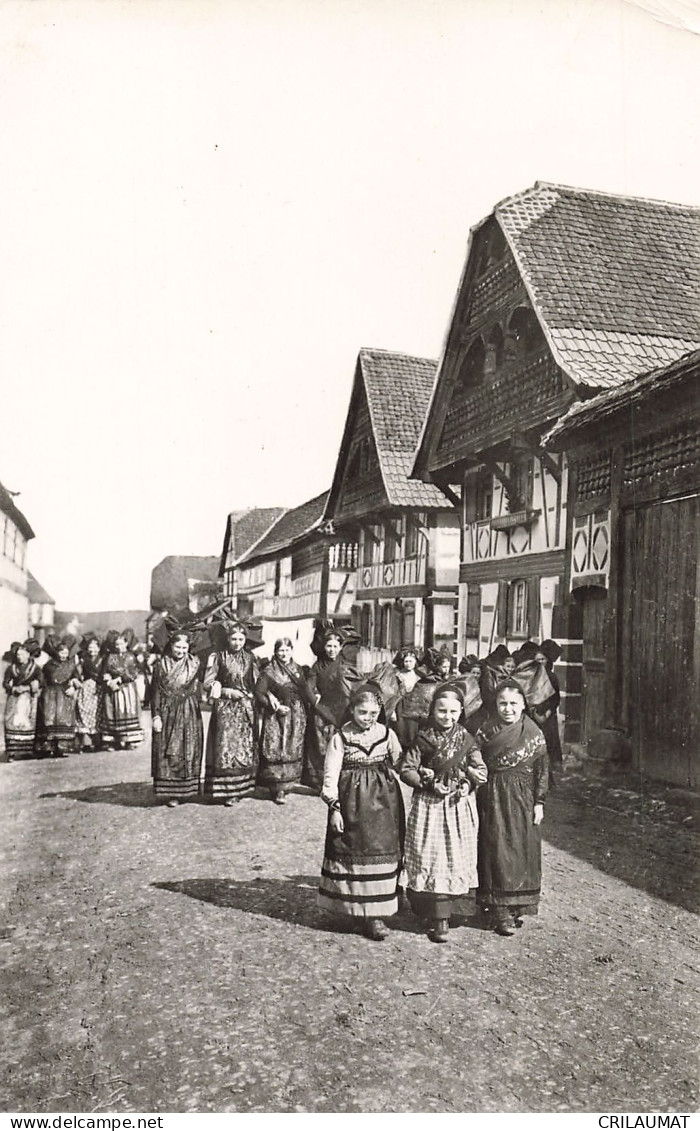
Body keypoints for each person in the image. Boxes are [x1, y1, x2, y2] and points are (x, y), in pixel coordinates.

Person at [399, 685, 488, 942]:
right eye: (441, 710)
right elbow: (407, 769)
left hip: (458, 807)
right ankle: (434, 915)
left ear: (461, 712)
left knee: (455, 858)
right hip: (430, 807)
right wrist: (426, 781)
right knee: (431, 857)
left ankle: (452, 912)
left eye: (453, 711)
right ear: (432, 710)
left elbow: (480, 769)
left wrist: (469, 783)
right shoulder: (423, 738)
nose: (447, 716)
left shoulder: (467, 740)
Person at [318, 684, 404, 941]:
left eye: (373, 713)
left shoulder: (387, 735)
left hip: (384, 805)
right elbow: (330, 776)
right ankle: (355, 910)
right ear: (352, 710)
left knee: (380, 852)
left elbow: (402, 762)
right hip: (352, 803)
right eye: (362, 712)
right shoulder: (340, 737)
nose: (368, 718)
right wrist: (334, 809)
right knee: (353, 853)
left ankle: (376, 914)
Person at [475, 679, 548, 937]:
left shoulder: (533, 733)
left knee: (520, 848)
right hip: (492, 794)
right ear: (495, 705)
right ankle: (498, 910)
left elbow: (542, 770)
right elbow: (472, 760)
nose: (508, 709)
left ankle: (515, 906)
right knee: (495, 847)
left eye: (513, 704)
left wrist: (539, 802)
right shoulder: (486, 731)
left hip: (523, 797)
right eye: (502, 703)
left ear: (524, 705)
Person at [202, 620, 259, 805]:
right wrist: (225, 690)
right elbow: (207, 682)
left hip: (244, 709)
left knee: (243, 748)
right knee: (225, 748)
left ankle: (241, 788)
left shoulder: (250, 658)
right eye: (234, 639)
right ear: (228, 639)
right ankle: (226, 791)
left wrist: (252, 695)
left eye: (241, 639)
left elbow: (256, 683)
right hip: (225, 709)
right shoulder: (218, 657)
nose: (237, 642)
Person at [304, 627, 362, 792]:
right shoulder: (318, 666)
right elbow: (308, 687)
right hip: (323, 710)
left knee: (342, 746)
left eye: (335, 646)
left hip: (343, 710)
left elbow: (354, 686)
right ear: (324, 647)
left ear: (341, 647)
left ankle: (342, 781)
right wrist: (316, 702)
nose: (332, 650)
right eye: (329, 646)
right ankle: (323, 782)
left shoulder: (345, 664)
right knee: (323, 746)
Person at [150, 629, 203, 806]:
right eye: (177, 647)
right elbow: (155, 691)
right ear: (171, 646)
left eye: (184, 647)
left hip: (188, 710)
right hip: (167, 711)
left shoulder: (195, 663)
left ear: (189, 647)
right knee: (167, 751)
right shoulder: (161, 664)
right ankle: (171, 793)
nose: (180, 651)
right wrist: (156, 715)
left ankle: (188, 790)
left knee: (187, 749)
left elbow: (203, 684)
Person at [255, 637, 308, 805]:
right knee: (277, 747)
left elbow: (306, 690)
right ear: (275, 652)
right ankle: (277, 789)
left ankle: (288, 785)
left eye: (287, 650)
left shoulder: (298, 669)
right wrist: (273, 704)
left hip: (296, 714)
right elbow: (259, 693)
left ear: (292, 650)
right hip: (276, 715)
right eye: (280, 650)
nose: (284, 653)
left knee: (292, 747)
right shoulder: (269, 671)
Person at [36, 638, 81, 757]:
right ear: (56, 653)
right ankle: (48, 747)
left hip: (65, 694)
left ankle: (61, 747)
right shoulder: (48, 665)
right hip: (50, 694)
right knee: (49, 718)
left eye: (66, 653)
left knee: (63, 719)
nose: (64, 656)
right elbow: (43, 679)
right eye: (62, 653)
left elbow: (77, 677)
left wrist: (73, 686)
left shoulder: (71, 665)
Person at [100, 633, 144, 750]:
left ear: (126, 644)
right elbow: (104, 671)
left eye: (121, 643)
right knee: (114, 712)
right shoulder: (110, 657)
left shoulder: (131, 657)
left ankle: (129, 740)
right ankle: (115, 741)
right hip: (114, 689)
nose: (119, 646)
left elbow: (135, 672)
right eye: (117, 644)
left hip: (127, 688)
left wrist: (121, 679)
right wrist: (109, 680)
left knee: (128, 711)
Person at [2, 639, 43, 760]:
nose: (20, 657)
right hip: (14, 697)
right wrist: (13, 688)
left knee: (28, 721)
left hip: (29, 698)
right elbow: (5, 683)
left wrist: (31, 686)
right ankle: (12, 752)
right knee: (11, 721)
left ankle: (27, 750)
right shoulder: (12, 668)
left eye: (22, 654)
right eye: (18, 655)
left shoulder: (35, 668)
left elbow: (42, 681)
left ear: (28, 655)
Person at [530, 640, 563, 783]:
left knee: (548, 746)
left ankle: (548, 778)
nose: (540, 662)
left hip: (548, 717)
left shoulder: (552, 677)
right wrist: (535, 715)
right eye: (537, 660)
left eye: (542, 659)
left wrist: (546, 715)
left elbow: (556, 699)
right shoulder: (530, 677)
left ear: (547, 660)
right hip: (534, 716)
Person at [390, 647, 424, 750]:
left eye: (411, 661)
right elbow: (392, 693)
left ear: (415, 662)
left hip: (415, 708)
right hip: (400, 707)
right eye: (406, 661)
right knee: (401, 732)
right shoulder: (398, 676)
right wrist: (392, 711)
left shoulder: (420, 676)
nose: (408, 664)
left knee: (414, 733)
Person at [76, 636, 103, 751]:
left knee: (97, 713)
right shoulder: (84, 659)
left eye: (94, 647)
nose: (92, 650)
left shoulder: (103, 659)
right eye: (90, 647)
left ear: (98, 648)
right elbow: (78, 673)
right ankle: (86, 742)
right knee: (85, 712)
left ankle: (98, 741)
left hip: (98, 688)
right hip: (86, 688)